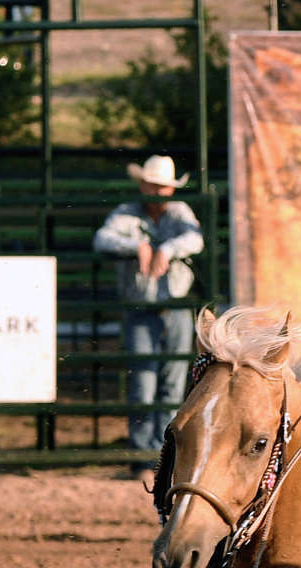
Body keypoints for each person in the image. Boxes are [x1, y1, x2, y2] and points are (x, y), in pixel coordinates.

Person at [93, 155, 204, 480]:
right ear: (143, 185)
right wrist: (137, 246)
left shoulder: (180, 212)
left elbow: (195, 237)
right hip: (142, 307)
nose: (158, 191)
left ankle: (162, 455)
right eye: (153, 185)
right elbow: (103, 238)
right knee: (144, 381)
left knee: (170, 382)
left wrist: (165, 249)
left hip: (175, 305)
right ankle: (144, 456)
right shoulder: (128, 212)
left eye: (162, 186)